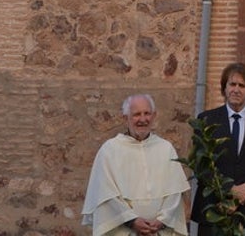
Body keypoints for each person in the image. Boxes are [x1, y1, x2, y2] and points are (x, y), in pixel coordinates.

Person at [81, 93, 190, 236]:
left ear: (154, 116)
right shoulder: (110, 150)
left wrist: (162, 220)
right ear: (125, 118)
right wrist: (131, 220)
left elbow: (175, 191)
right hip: (123, 231)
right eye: (136, 114)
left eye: (147, 113)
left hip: (159, 232)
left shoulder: (165, 148)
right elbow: (106, 194)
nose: (143, 119)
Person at [190, 63, 245, 236]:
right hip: (214, 208)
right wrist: (229, 189)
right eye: (232, 84)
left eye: (242, 85)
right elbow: (201, 165)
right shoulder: (206, 119)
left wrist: (243, 193)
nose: (236, 89)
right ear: (224, 88)